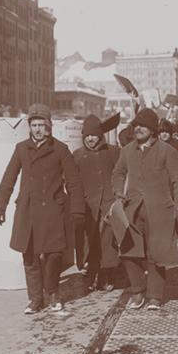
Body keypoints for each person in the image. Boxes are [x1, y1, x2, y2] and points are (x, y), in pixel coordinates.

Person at [0, 103, 85, 314]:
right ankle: (35, 299)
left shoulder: (60, 149)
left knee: (54, 255)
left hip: (53, 209)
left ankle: (52, 294)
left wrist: (78, 210)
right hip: (28, 210)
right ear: (29, 126)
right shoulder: (21, 148)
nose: (37, 130)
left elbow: (73, 181)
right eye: (34, 125)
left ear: (49, 126)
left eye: (41, 125)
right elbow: (9, 178)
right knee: (30, 256)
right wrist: (0, 206)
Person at [112, 108, 178, 311]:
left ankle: (154, 296)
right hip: (132, 210)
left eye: (143, 126)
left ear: (153, 129)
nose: (138, 128)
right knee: (128, 251)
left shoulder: (167, 151)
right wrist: (118, 191)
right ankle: (138, 290)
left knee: (157, 253)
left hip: (160, 211)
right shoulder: (127, 150)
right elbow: (118, 173)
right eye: (136, 125)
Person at [73, 114, 121, 291]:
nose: (90, 139)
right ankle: (92, 272)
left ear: (100, 135)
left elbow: (122, 174)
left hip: (109, 204)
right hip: (88, 206)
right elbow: (72, 181)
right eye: (87, 136)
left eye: (94, 135)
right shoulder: (77, 155)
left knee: (108, 242)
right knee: (91, 241)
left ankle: (107, 274)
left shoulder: (113, 152)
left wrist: (118, 197)